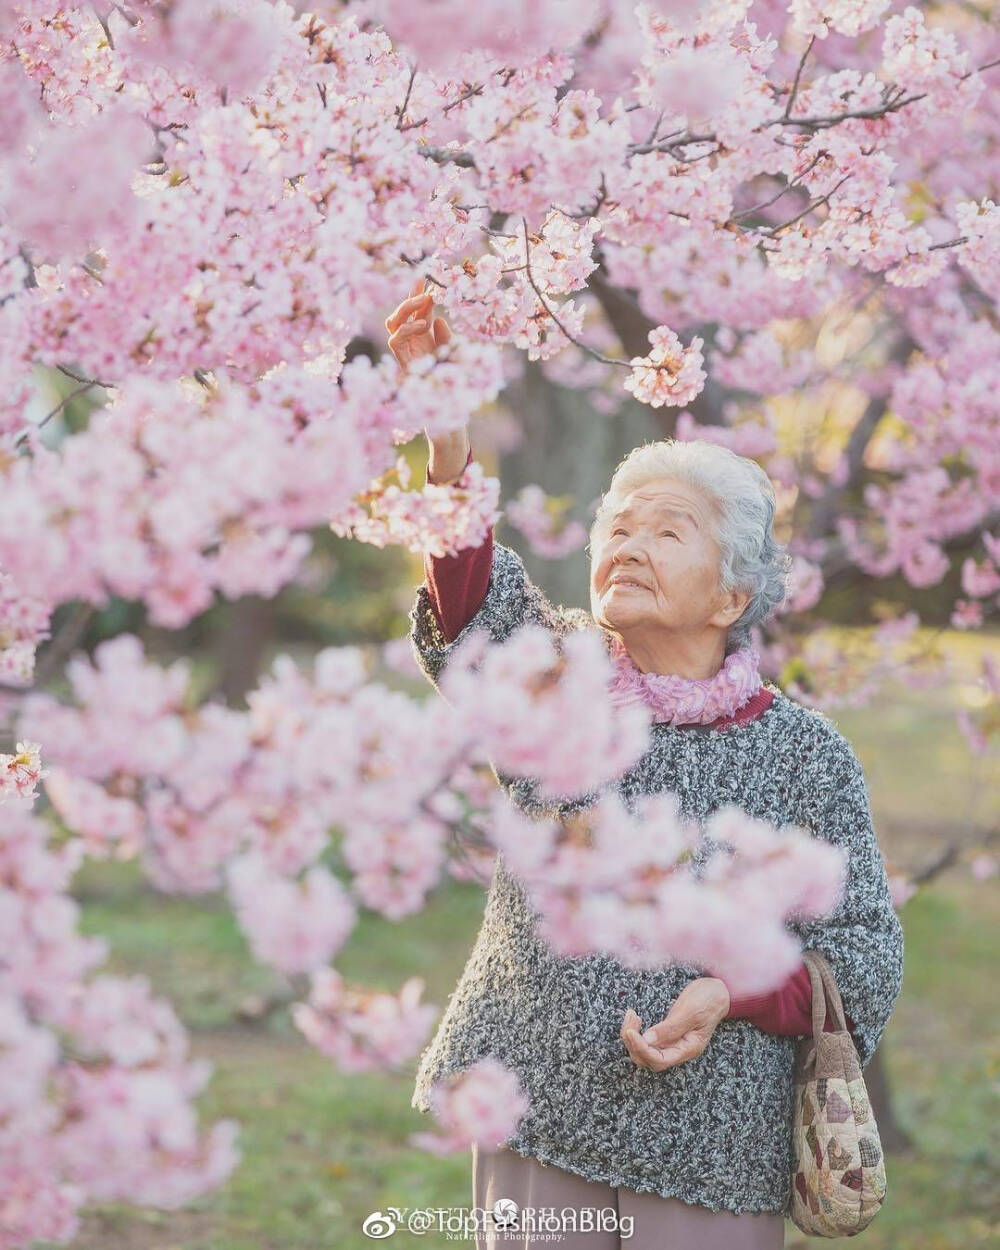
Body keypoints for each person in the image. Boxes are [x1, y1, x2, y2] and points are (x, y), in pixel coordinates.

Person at [386, 279, 904, 1250]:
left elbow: (866, 955)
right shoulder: (562, 678)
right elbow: (467, 609)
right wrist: (448, 449)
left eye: (668, 529)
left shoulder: (804, 755)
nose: (628, 541)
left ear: (730, 596)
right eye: (617, 524)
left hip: (713, 1156)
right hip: (539, 1113)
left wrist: (726, 991)